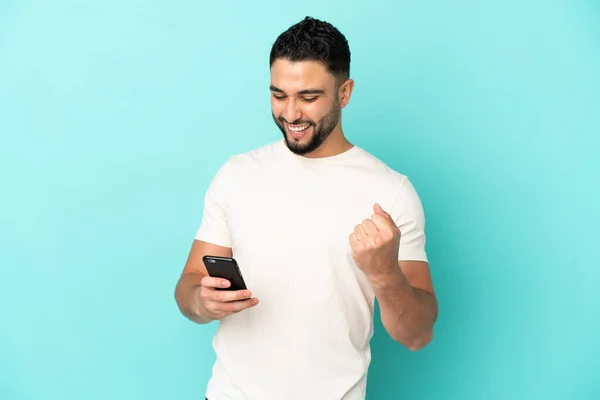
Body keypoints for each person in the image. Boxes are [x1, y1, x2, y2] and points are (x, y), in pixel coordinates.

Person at [174, 16, 438, 400]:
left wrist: (384, 274)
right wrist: (202, 299)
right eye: (279, 95)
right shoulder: (237, 175)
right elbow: (188, 289)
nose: (291, 114)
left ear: (344, 92)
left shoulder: (391, 192)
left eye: (309, 98)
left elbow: (417, 335)